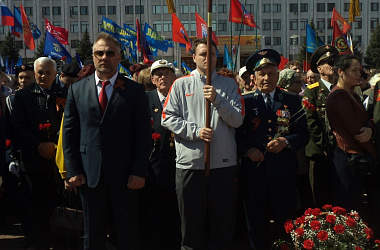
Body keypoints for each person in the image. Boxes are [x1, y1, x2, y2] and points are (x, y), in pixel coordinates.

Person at [62, 32, 151, 250]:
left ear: (119, 57)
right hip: (89, 176)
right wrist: (72, 170)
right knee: (92, 235)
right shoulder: (76, 89)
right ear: (92, 56)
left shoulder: (134, 90)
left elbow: (143, 135)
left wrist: (139, 171)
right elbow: (69, 133)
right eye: (99, 53)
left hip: (125, 176)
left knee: (127, 233)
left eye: (110, 53)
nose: (104, 57)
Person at [162, 38, 244, 250]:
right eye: (203, 54)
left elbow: (237, 119)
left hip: (223, 167)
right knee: (191, 230)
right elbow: (167, 117)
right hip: (191, 166)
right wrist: (195, 132)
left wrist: (218, 100)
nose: (209, 58)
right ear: (194, 57)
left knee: (223, 228)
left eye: (213, 54)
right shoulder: (180, 85)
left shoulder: (229, 84)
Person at [236, 49, 309, 250]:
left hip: (282, 172)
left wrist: (286, 141)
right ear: (254, 77)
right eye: (262, 74)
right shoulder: (245, 101)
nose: (266, 78)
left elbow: (304, 134)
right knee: (255, 221)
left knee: (284, 220)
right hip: (254, 173)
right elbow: (236, 134)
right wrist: (248, 150)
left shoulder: (291, 100)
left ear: (278, 75)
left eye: (271, 73)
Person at [12, 57, 66, 249]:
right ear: (35, 74)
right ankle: (34, 242)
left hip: (55, 161)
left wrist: (52, 144)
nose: (43, 76)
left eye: (48, 72)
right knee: (32, 206)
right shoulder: (23, 96)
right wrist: (38, 145)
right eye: (40, 72)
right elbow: (18, 126)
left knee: (54, 205)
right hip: (32, 161)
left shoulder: (65, 94)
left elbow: (68, 124)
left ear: (55, 74)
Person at [326, 54, 377, 216]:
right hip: (347, 157)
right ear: (340, 72)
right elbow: (357, 132)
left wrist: (370, 128)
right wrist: (375, 154)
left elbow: (366, 121)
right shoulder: (338, 96)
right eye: (354, 70)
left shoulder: (352, 94)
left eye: (359, 70)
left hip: (356, 158)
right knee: (348, 208)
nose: (358, 75)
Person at [141, 59, 181, 250]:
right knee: (153, 215)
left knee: (176, 214)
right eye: (158, 74)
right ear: (153, 79)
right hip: (152, 170)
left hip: (177, 167)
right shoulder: (144, 99)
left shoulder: (182, 98)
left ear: (174, 77)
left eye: (167, 73)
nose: (163, 77)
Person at [303, 45, 339, 207]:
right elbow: (311, 122)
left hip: (341, 151)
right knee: (320, 195)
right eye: (328, 62)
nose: (333, 65)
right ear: (319, 69)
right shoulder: (312, 91)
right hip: (320, 151)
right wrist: (325, 146)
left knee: (339, 195)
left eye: (335, 61)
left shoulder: (344, 89)